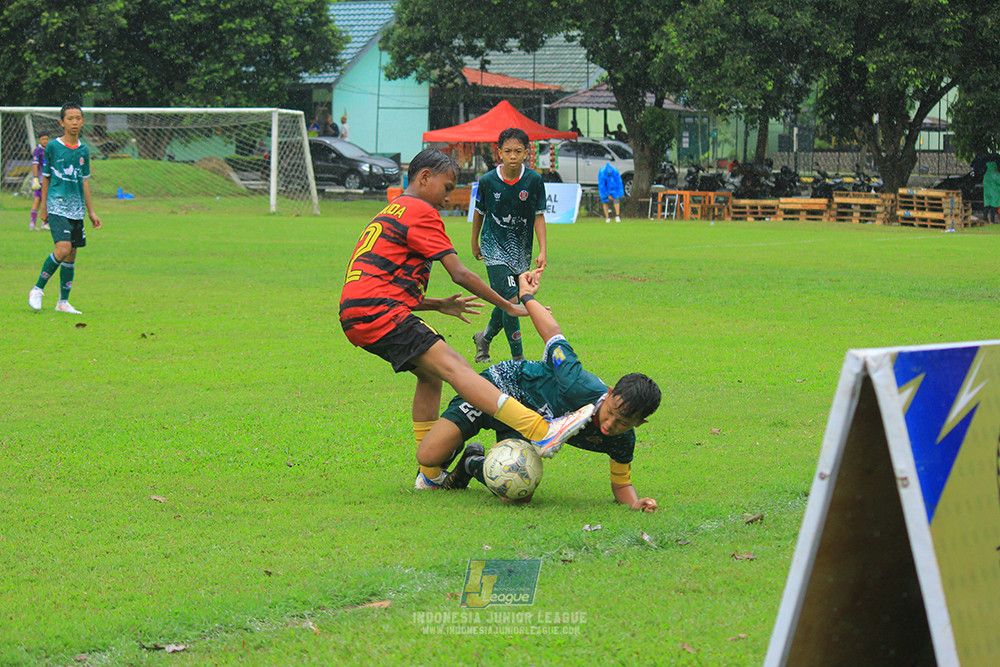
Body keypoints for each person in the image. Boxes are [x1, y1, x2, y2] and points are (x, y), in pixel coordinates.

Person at [339, 148, 594, 490]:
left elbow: (380, 277)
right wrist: (509, 305)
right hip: (379, 311)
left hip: (356, 312)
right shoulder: (421, 211)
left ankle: (430, 476)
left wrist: (435, 304)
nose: (448, 198)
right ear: (424, 178)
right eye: (447, 188)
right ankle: (542, 431)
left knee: (430, 377)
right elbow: (459, 272)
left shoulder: (391, 210)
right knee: (457, 367)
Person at [420, 272, 661, 511]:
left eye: (623, 423)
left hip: (522, 422)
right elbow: (552, 333)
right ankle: (444, 463)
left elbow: (622, 485)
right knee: (429, 455)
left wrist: (635, 503)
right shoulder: (576, 382)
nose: (611, 424)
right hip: (501, 385)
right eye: (611, 412)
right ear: (608, 394)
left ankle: (471, 464)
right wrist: (526, 296)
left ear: (640, 423)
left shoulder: (622, 441)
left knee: (516, 493)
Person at [470, 127, 547, 365]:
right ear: (499, 153)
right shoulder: (488, 181)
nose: (513, 156)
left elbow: (538, 215)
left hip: (520, 251)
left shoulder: (534, 180)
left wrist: (543, 249)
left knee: (507, 299)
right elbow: (479, 213)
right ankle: (518, 359)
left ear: (526, 153)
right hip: (493, 248)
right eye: (508, 151)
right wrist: (474, 241)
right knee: (512, 298)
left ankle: (484, 337)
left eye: (518, 151)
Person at [28, 103, 102, 315]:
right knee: (63, 248)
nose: (75, 122)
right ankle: (37, 289)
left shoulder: (84, 150)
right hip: (57, 204)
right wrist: (44, 207)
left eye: (78, 118)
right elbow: (46, 177)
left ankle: (63, 302)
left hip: (77, 208)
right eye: (70, 118)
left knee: (71, 254)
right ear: (62, 122)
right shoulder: (52, 147)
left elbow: (85, 182)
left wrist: (91, 212)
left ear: (83, 121)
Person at [29, 132, 50, 231]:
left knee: (43, 200)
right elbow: (35, 165)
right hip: (41, 180)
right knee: (40, 200)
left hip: (48, 179)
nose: (45, 141)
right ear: (39, 140)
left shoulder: (49, 149)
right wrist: (35, 178)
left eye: (47, 139)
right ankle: (40, 223)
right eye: (43, 139)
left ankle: (40, 223)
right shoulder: (38, 150)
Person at [984, 159, 1000, 224]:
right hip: (994, 192)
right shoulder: (995, 174)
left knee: (987, 205)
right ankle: (992, 220)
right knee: (994, 206)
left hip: (986, 192)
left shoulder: (986, 174)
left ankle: (985, 218)